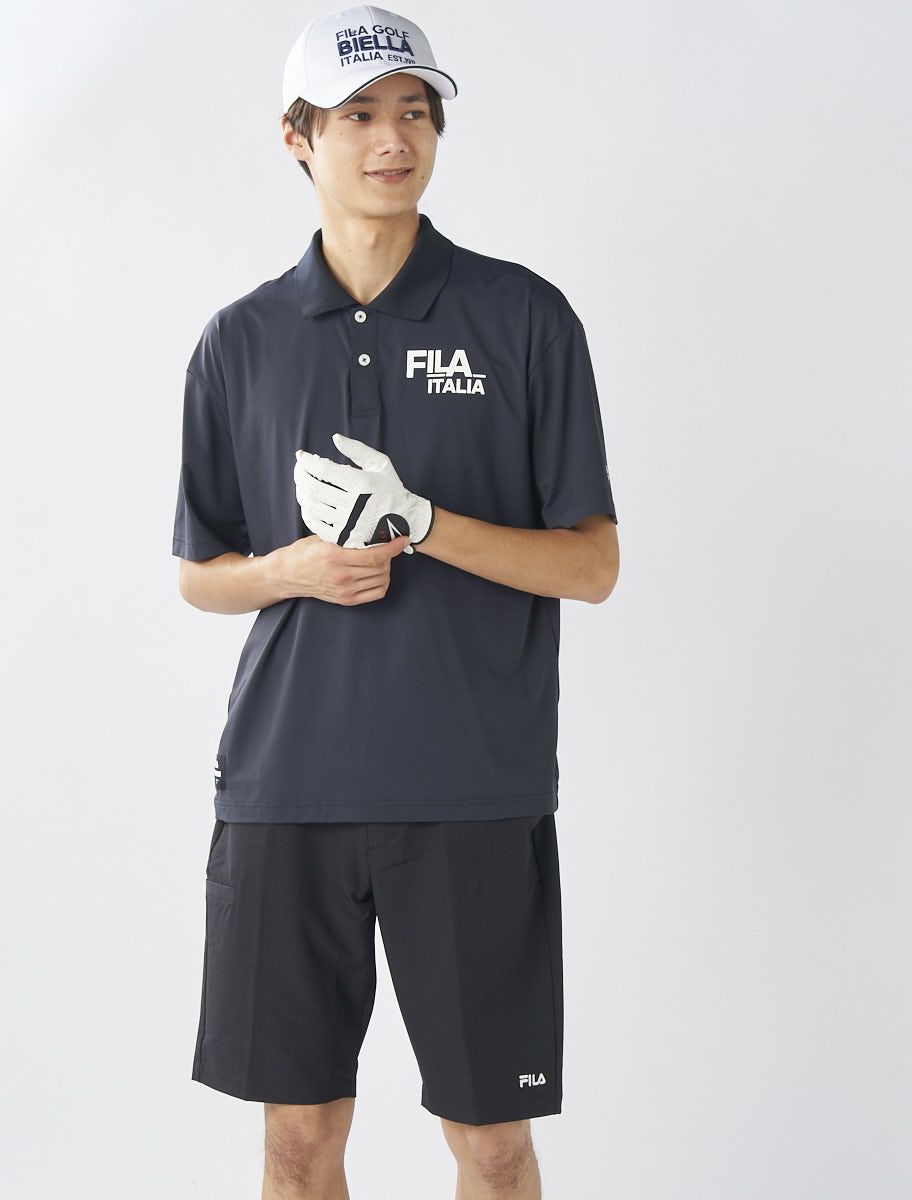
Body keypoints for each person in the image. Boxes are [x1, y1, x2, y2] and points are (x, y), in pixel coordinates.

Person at [172, 6, 620, 1196]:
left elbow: (592, 565)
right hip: (286, 792)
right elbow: (199, 572)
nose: (392, 139)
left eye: (414, 112)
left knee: (492, 1146)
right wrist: (292, 570)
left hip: (471, 795)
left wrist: (422, 522)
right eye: (359, 115)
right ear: (297, 138)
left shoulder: (523, 318)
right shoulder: (238, 342)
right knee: (295, 1141)